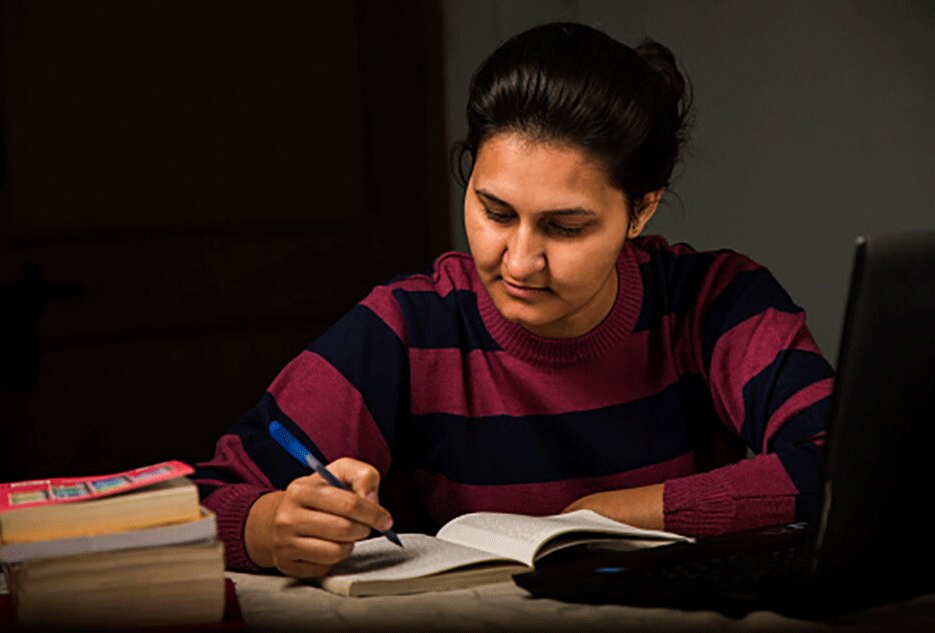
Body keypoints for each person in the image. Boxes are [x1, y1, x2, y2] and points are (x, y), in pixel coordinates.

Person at [192, 22, 834, 579]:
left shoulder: (715, 302)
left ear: (641, 209)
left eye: (565, 227)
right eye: (495, 212)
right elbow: (202, 501)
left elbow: (846, 465)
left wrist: (602, 517)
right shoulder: (405, 331)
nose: (520, 261)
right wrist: (269, 525)